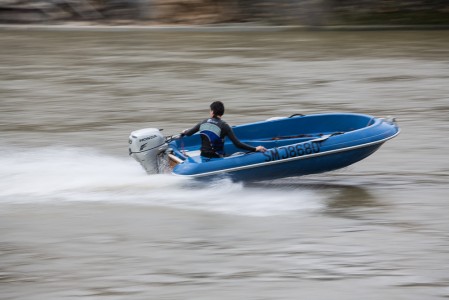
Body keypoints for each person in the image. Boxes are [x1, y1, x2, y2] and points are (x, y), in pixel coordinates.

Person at [181, 101, 267, 158]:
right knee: (239, 154)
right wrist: (255, 149)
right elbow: (237, 144)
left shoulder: (203, 122)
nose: (210, 112)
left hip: (203, 155)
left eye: (210, 110)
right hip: (217, 157)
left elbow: (189, 133)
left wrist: (184, 131)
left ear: (213, 112)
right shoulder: (224, 126)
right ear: (222, 112)